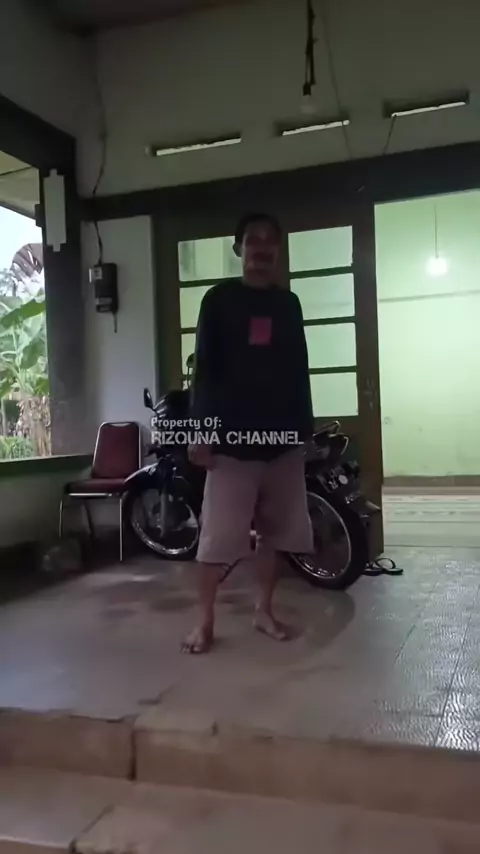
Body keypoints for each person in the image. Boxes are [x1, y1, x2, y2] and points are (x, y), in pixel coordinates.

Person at [182, 213, 314, 654]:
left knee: (277, 534)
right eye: (252, 239)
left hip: (281, 444)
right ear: (238, 248)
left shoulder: (289, 304)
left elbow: (298, 370)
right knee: (217, 539)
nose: (261, 247)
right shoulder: (219, 300)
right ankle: (204, 621)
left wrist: (304, 432)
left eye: (270, 240)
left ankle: (263, 610)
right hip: (231, 445)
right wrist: (200, 431)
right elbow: (205, 369)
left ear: (278, 250)